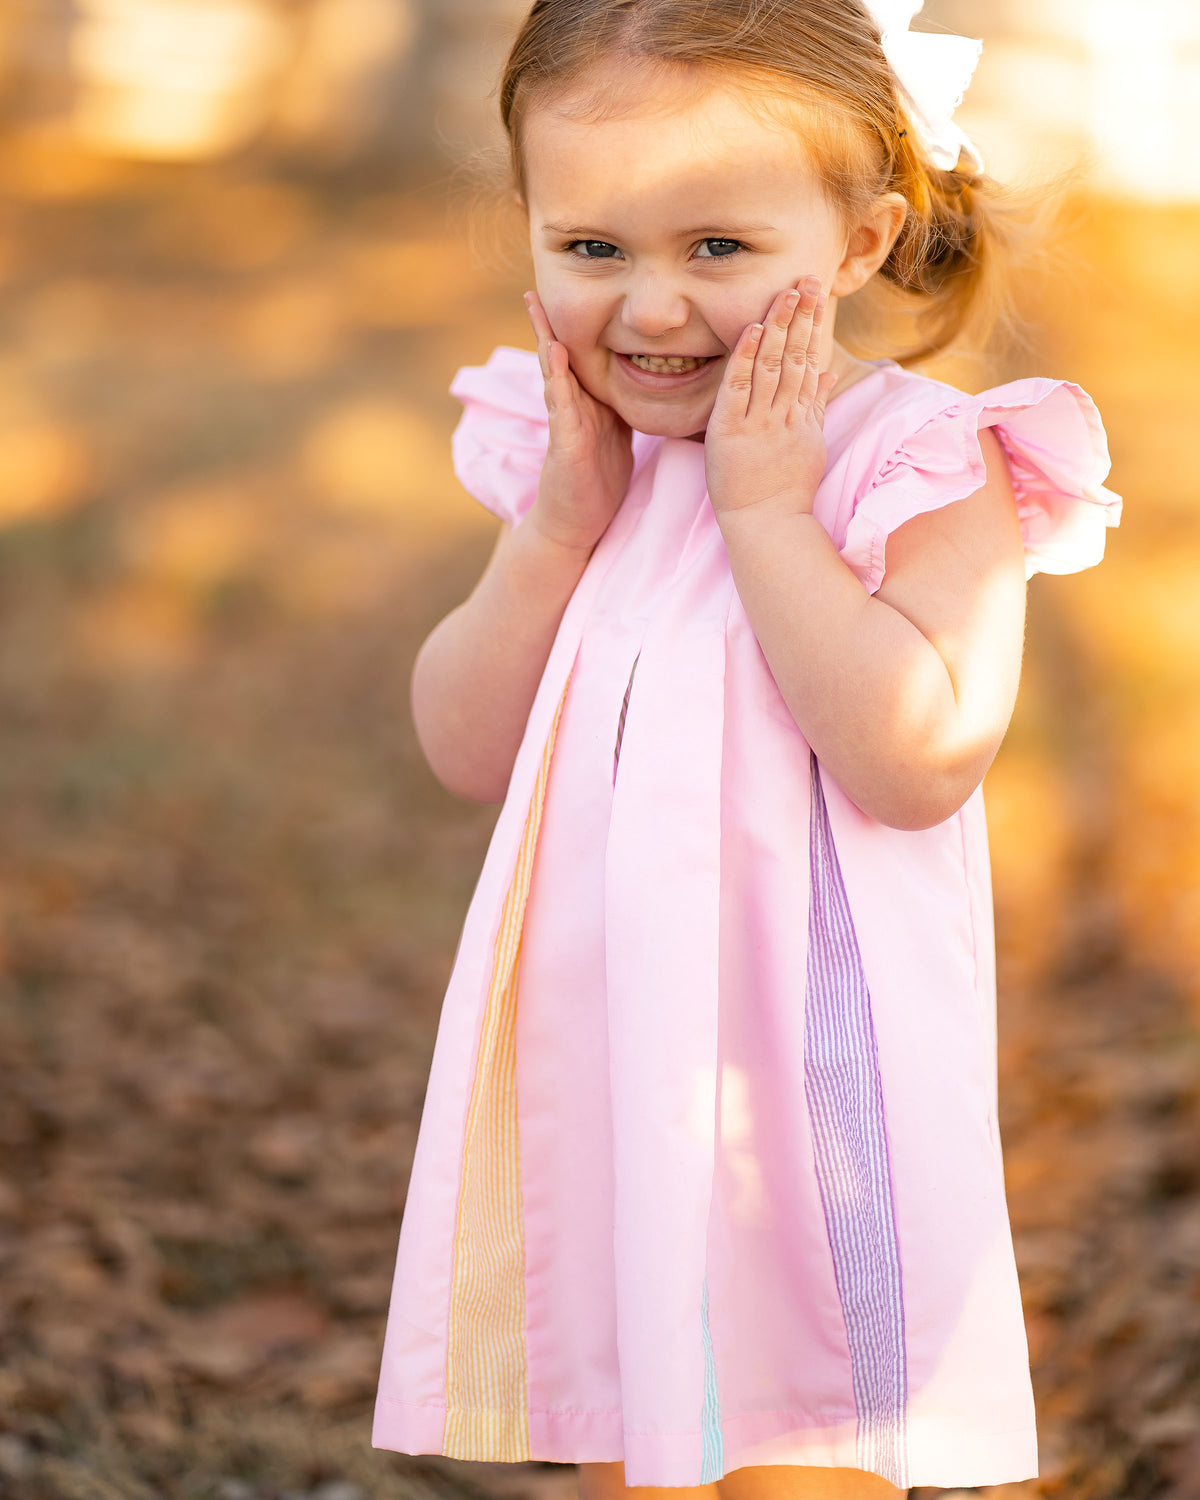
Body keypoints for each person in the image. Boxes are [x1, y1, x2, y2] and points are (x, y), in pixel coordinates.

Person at [372, 2, 1122, 1497]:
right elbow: (462, 745)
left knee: (800, 1442)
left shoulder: (917, 461)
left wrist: (769, 517)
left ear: (857, 238)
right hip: (611, 1056)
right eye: (593, 250)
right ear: (526, 230)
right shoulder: (580, 460)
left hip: (807, 1084)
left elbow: (920, 756)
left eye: (718, 249)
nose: (651, 313)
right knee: (635, 1441)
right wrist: (556, 533)